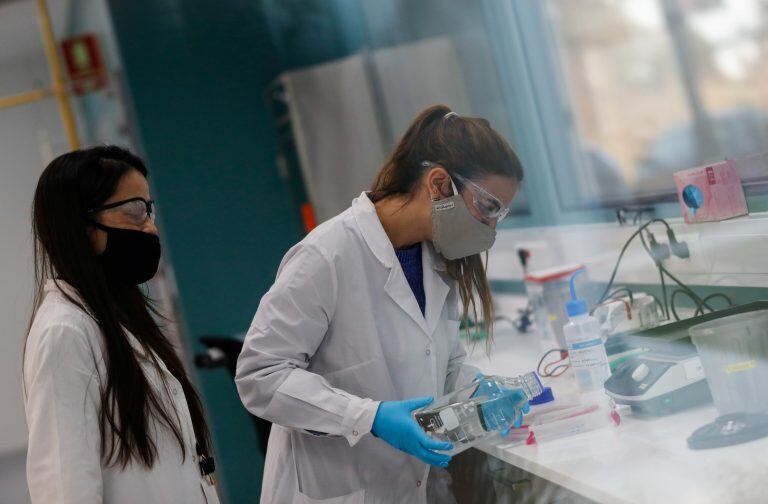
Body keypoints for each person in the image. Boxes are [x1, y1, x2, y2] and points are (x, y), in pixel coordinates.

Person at [236, 105, 525, 503]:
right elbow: (260, 375)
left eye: (500, 214)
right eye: (489, 207)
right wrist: (368, 418)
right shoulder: (326, 255)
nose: (491, 227)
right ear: (440, 183)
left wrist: (479, 392)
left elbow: (440, 364)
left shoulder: (437, 260)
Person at [23, 146, 219, 503]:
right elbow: (65, 488)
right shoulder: (64, 332)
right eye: (134, 213)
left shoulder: (118, 320)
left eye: (149, 210)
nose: (150, 227)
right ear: (81, 226)